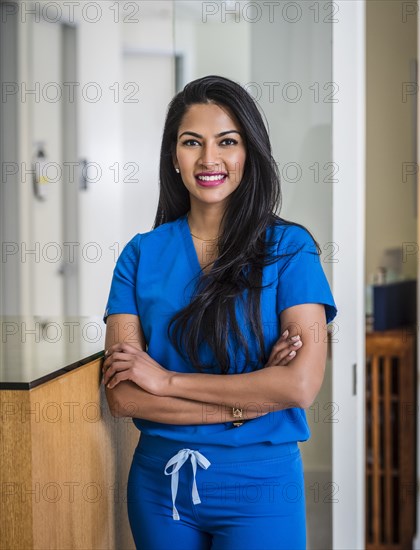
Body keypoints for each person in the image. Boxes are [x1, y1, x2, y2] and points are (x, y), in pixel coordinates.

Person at [101, 75, 337, 550]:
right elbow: (125, 396)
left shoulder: (291, 251)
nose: (209, 160)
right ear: (174, 156)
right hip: (160, 486)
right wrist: (248, 399)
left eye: (227, 142)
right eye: (192, 142)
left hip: (262, 485)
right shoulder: (140, 255)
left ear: (249, 152)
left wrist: (166, 381)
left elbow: (298, 385)